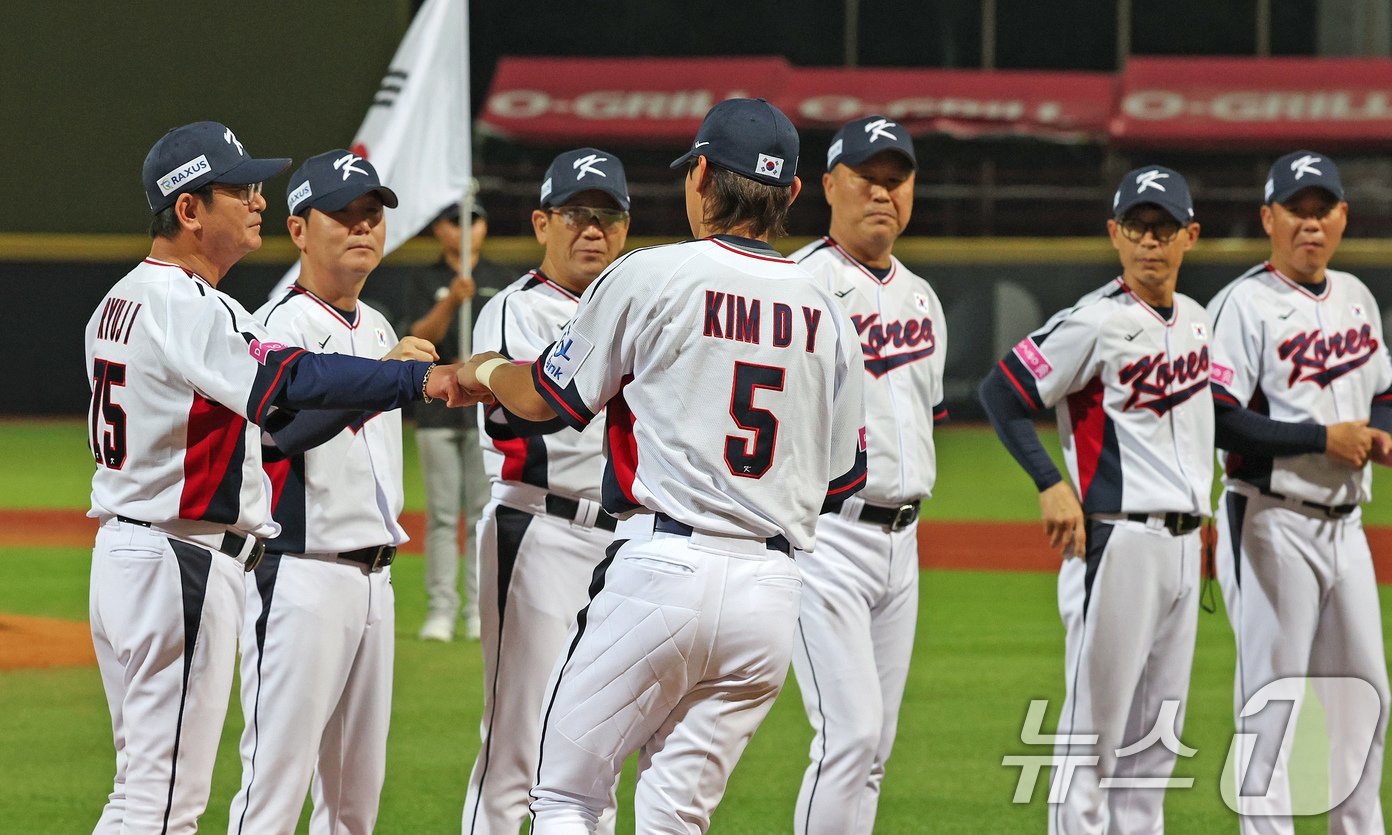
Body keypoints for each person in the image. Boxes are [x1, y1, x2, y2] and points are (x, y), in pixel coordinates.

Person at [456, 98, 868, 834]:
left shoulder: (653, 274)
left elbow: (546, 396)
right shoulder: (830, 309)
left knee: (568, 794)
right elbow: (842, 476)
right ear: (794, 193)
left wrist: (485, 367)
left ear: (702, 175)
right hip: (772, 594)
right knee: (675, 813)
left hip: (663, 569)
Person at [85, 122, 465, 834]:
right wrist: (415, 377)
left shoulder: (121, 299)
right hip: (181, 556)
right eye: (238, 189)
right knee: (164, 805)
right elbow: (284, 384)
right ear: (189, 209)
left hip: (135, 551)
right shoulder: (186, 303)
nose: (255, 200)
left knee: (142, 792)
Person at [978, 166, 1214, 834]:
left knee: (1154, 745)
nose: (1149, 240)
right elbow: (1003, 391)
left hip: (1179, 546)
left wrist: (1205, 510)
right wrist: (1050, 481)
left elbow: (1197, 430)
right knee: (1093, 740)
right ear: (1114, 233)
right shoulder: (1095, 320)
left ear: (1190, 235)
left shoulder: (1196, 322)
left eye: (1163, 226)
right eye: (1136, 226)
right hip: (1115, 542)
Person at [226, 150, 426, 834]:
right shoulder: (273, 327)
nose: (362, 226)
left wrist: (381, 367)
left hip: (374, 581)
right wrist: (380, 378)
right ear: (299, 229)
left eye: (371, 214)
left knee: (353, 805)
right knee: (273, 789)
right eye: (342, 214)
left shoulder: (376, 326)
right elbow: (276, 438)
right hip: (299, 577)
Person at [1207, 150, 1392, 834]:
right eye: (1297, 210)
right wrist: (1324, 439)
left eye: (1323, 210)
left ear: (1343, 217)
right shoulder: (1241, 305)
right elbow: (1221, 416)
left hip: (1345, 528)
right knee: (1271, 705)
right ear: (1269, 218)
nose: (1310, 225)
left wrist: (1378, 432)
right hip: (1269, 521)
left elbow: (1385, 390)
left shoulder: (1355, 296)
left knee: (1366, 699)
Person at [462, 147, 631, 835]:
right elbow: (530, 410)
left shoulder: (636, 305)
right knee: (516, 746)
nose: (593, 229)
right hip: (537, 527)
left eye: (608, 215)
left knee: (597, 752)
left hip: (621, 542)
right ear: (541, 222)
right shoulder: (514, 310)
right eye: (576, 214)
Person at [787, 115, 947, 835]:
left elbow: (922, 420)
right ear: (828, 185)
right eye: (866, 178)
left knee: (873, 747)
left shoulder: (922, 298)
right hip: (826, 537)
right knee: (847, 737)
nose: (883, 193)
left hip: (902, 544)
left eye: (896, 179)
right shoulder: (800, 284)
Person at [402, 201, 518, 642]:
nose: (467, 230)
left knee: (480, 513)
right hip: (436, 411)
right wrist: (452, 299)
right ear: (439, 229)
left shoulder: (500, 279)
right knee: (443, 515)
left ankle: (476, 607)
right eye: (456, 221)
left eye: (476, 219)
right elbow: (418, 337)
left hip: (486, 409)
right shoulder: (425, 278)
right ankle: (440, 610)